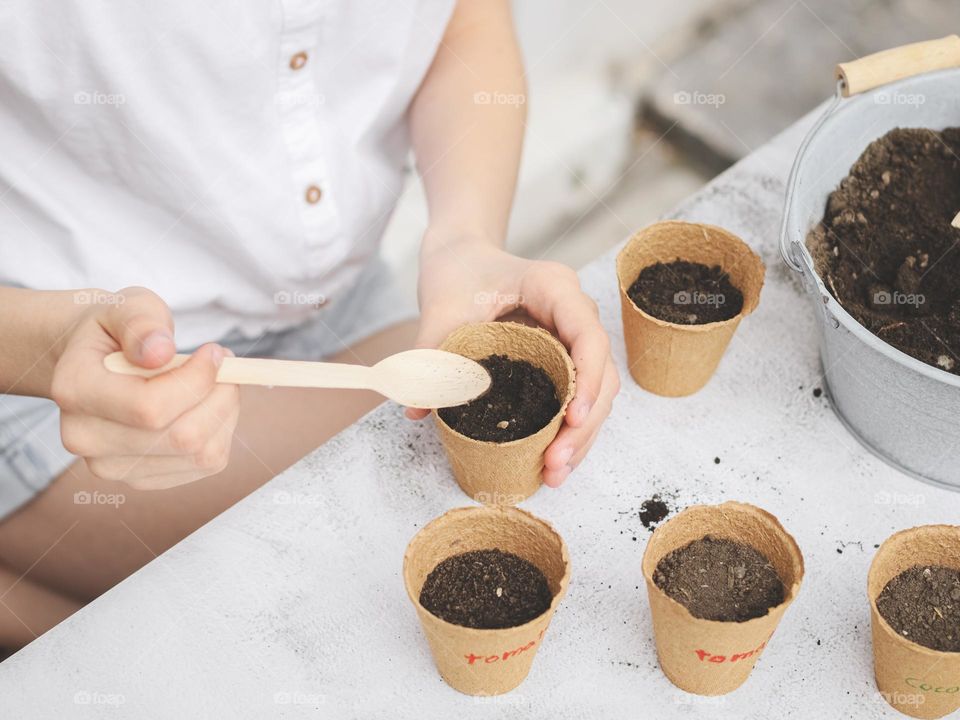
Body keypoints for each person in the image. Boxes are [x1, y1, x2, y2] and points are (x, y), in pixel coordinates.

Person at [0, 0, 619, 648]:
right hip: (62, 370)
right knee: (373, 593)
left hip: (336, 303)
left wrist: (465, 242)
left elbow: (464, 16)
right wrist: (46, 347)